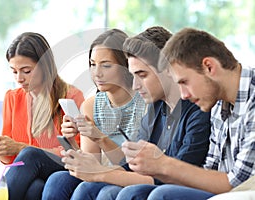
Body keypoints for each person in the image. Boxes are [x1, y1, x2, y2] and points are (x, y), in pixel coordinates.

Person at [42, 26, 211, 200]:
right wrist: (87, 160)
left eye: (142, 75)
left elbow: (175, 177)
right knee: (77, 185)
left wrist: (100, 173)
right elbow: (131, 165)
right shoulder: (156, 108)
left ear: (168, 69)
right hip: (149, 182)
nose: (136, 85)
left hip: (172, 188)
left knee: (115, 192)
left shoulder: (197, 110)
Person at [120, 27, 255, 200]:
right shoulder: (217, 104)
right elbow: (210, 169)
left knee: (161, 195)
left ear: (209, 67)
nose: (183, 95)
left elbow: (235, 183)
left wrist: (163, 164)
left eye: (184, 82)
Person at [42, 28, 147, 199]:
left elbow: (129, 167)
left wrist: (99, 136)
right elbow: (92, 162)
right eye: (92, 64)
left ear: (126, 65)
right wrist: (71, 142)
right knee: (58, 179)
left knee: (92, 190)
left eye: (106, 65)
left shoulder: (145, 103)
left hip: (126, 174)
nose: (96, 73)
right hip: (100, 171)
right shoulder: (91, 105)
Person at [0, 32, 84, 199]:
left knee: (30, 154)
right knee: (35, 188)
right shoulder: (12, 98)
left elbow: (77, 150)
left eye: (26, 71)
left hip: (62, 167)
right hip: (30, 175)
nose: (19, 78)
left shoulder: (71, 96)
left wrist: (21, 148)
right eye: (14, 71)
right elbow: (11, 160)